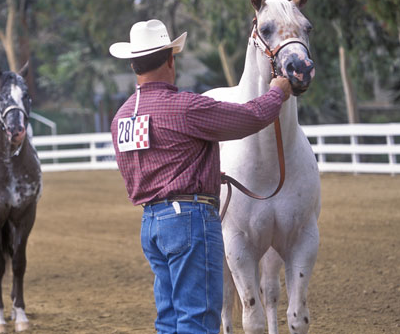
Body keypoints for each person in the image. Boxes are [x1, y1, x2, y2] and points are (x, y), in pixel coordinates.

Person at [109, 19, 292, 333]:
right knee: (198, 319)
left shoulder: (122, 117)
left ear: (133, 64)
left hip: (152, 223)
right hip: (188, 221)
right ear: (170, 59)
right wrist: (277, 92)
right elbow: (251, 117)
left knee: (169, 320)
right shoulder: (185, 107)